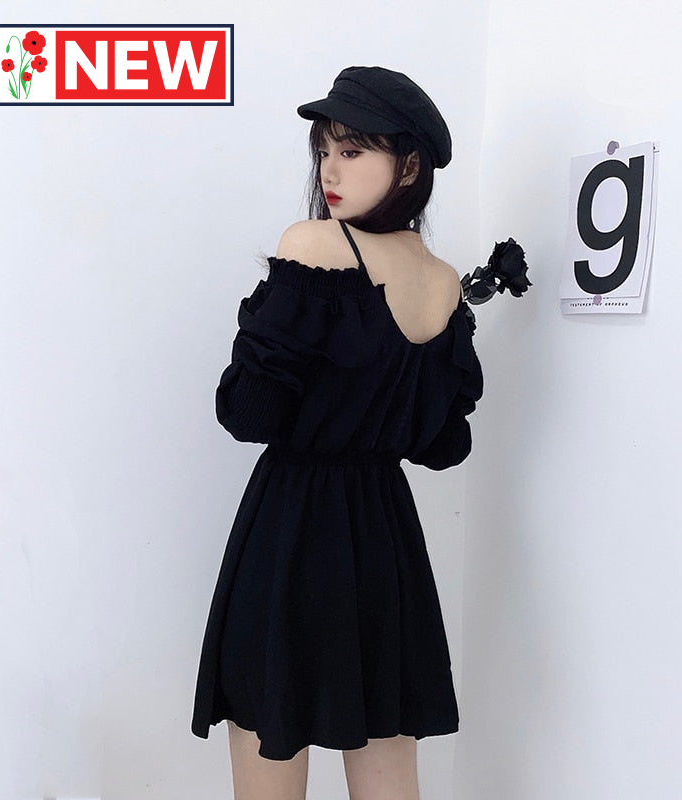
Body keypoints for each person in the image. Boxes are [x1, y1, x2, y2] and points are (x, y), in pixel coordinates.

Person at [191, 66, 484, 800]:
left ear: (409, 166)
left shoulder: (314, 246)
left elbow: (247, 414)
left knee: (268, 749)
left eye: (353, 151)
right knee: (388, 766)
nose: (329, 170)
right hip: (385, 540)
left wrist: (274, 321)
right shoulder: (443, 280)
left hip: (292, 529)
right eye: (324, 150)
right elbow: (442, 445)